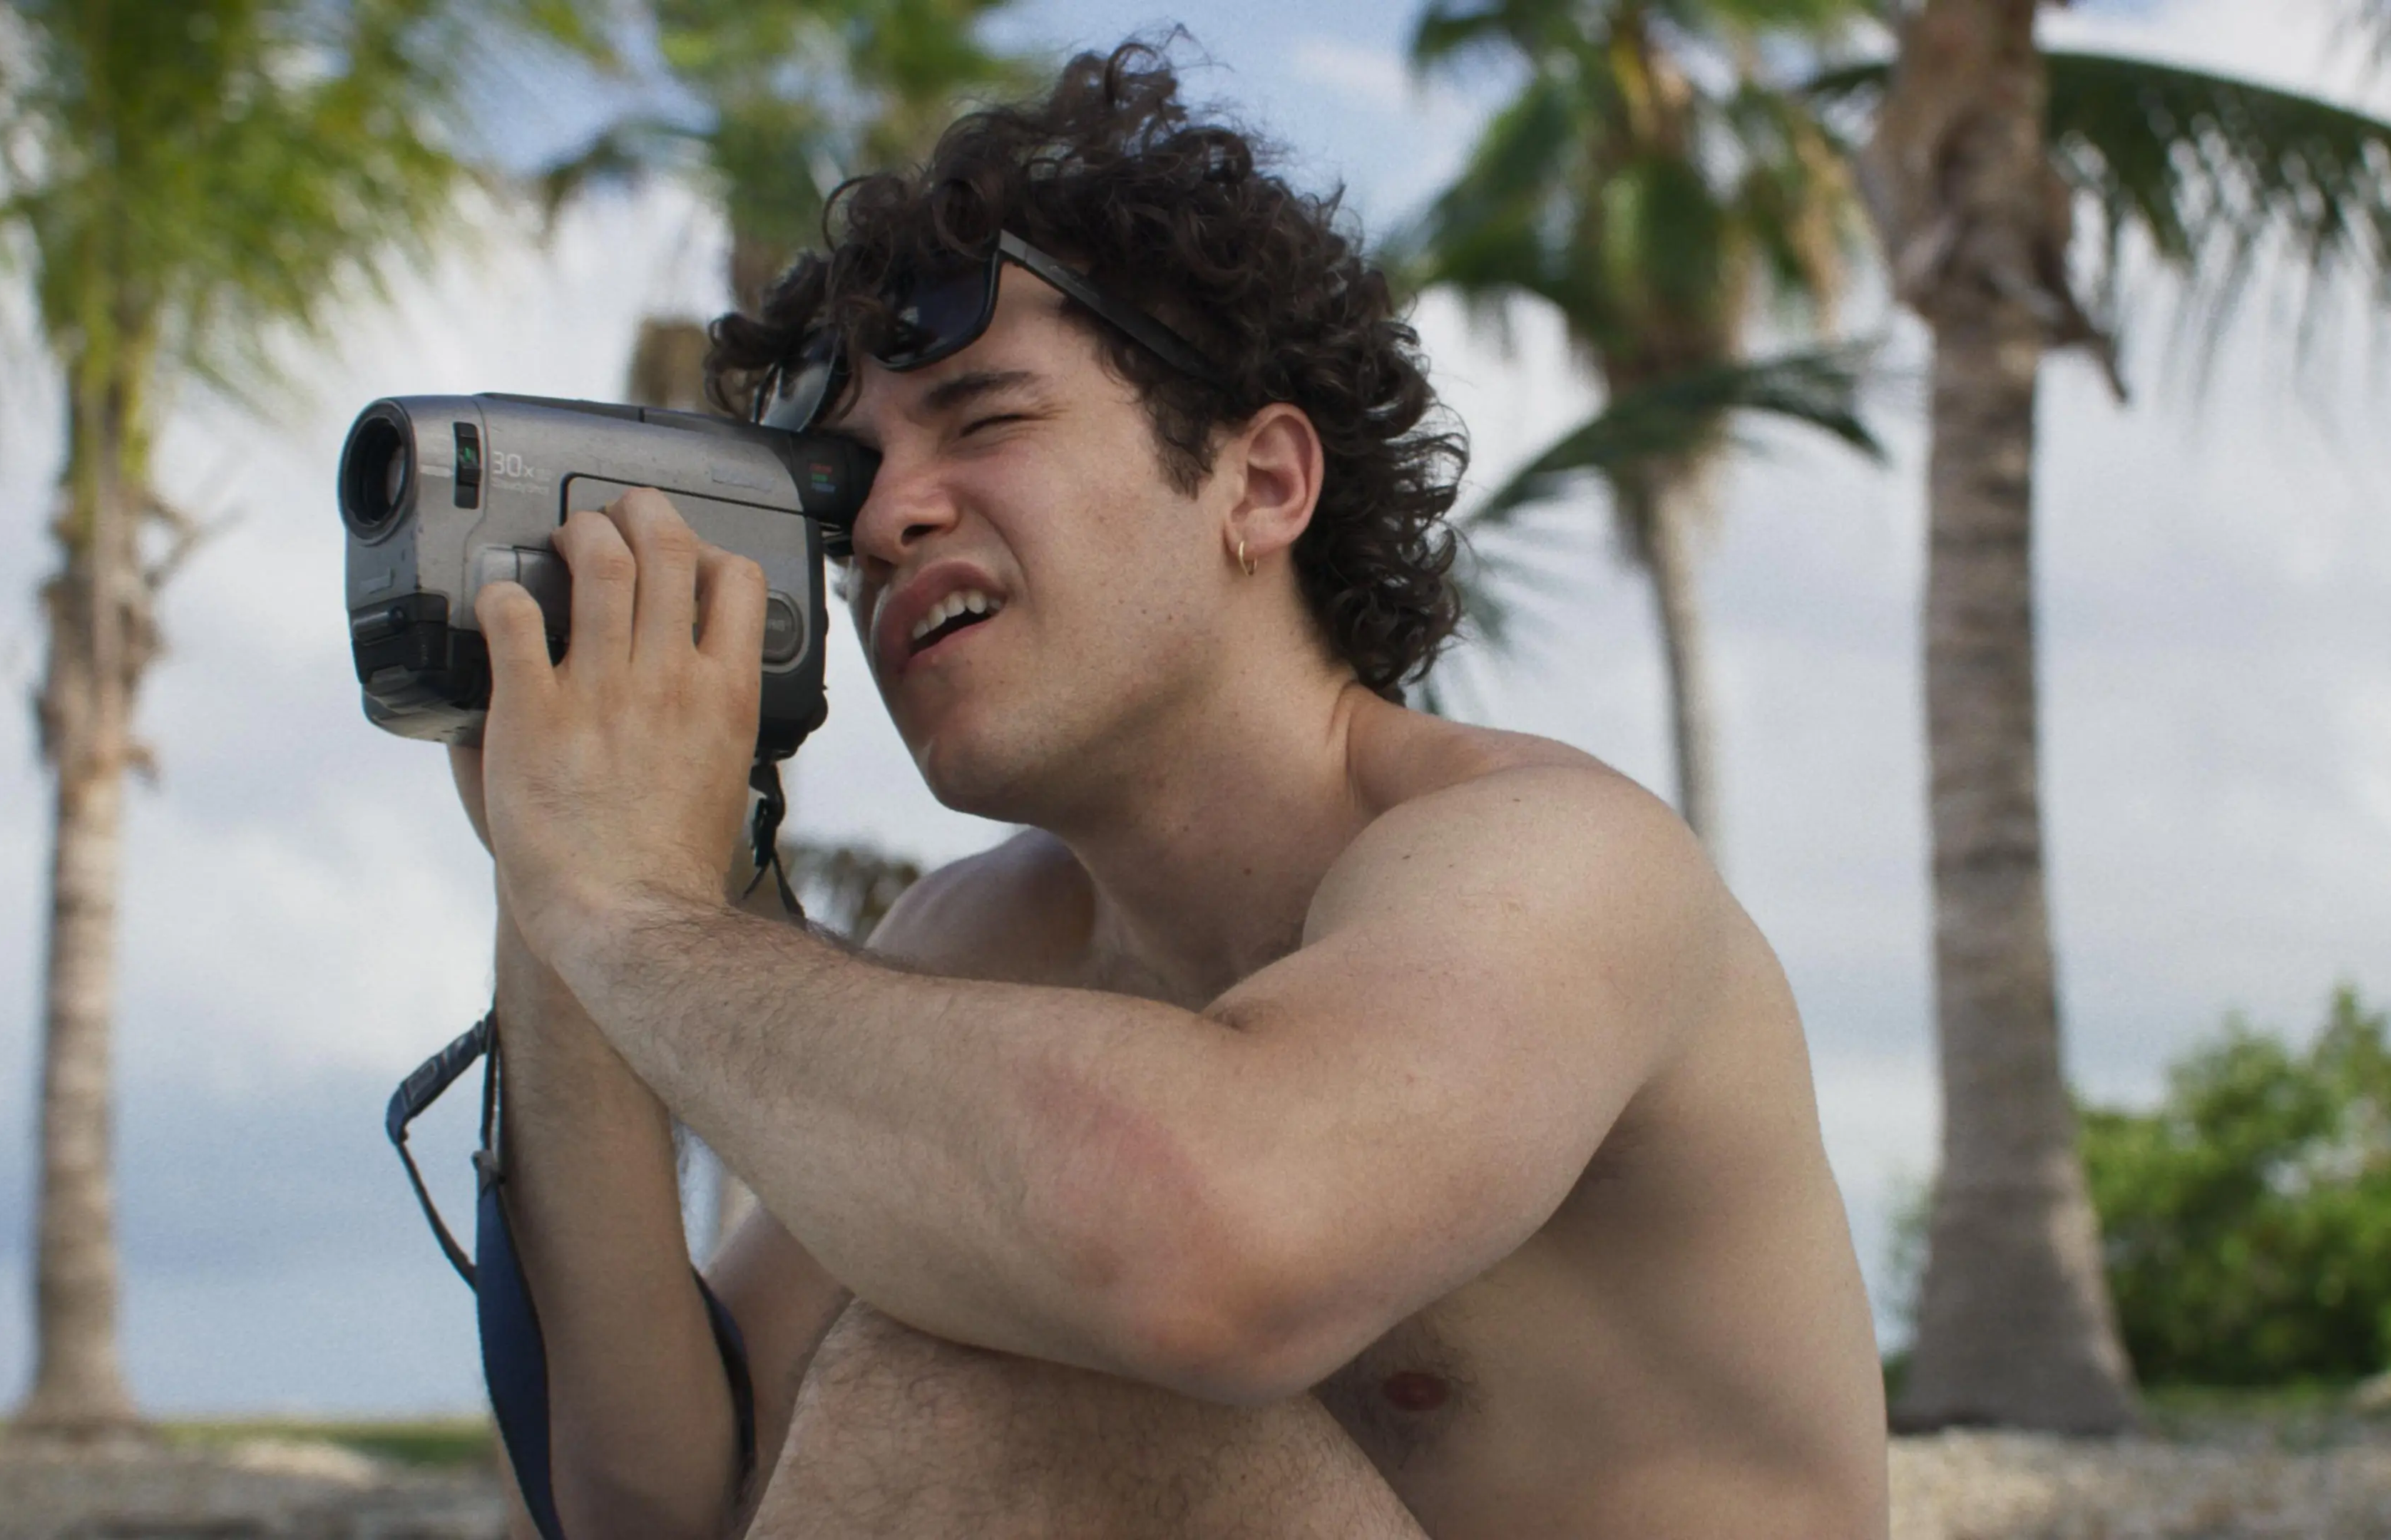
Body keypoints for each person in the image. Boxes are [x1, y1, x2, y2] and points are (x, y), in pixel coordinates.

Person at [449, 41, 1887, 1540]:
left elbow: (1219, 1250)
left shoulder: (1553, 866)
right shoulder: (980, 941)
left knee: (980, 1391)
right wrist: (553, 895)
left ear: (1262, 484)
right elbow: (655, 1500)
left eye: (986, 418)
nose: (882, 517)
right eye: (851, 475)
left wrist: (639, 911)